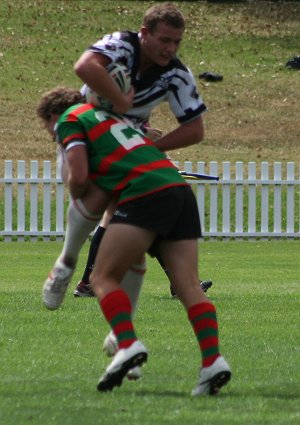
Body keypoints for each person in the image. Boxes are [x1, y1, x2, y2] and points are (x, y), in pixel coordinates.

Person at [37, 86, 231, 396]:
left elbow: (78, 178)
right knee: (188, 287)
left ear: (52, 115)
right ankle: (213, 360)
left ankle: (126, 342)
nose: (50, 132)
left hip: (143, 193)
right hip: (177, 188)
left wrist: (80, 199)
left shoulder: (71, 119)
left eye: (47, 125)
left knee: (101, 276)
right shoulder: (119, 120)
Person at [73, 2, 213, 299]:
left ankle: (88, 281)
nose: (170, 48)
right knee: (148, 202)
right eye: (165, 40)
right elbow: (84, 66)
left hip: (126, 145)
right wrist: (122, 104)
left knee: (134, 208)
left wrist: (150, 146)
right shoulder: (121, 46)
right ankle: (179, 283)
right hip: (90, 134)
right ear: (145, 33)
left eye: (177, 42)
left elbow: (195, 130)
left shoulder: (176, 74)